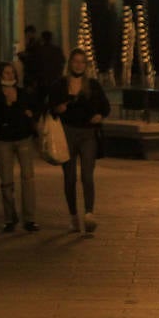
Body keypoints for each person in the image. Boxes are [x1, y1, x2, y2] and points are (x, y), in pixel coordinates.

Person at [48, 49, 110, 235]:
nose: (79, 65)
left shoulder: (92, 85)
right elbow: (50, 106)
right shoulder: (60, 85)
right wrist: (57, 108)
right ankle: (73, 215)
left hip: (87, 133)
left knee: (87, 174)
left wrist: (99, 115)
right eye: (75, 61)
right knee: (69, 177)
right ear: (70, 64)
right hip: (66, 133)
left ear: (86, 65)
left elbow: (105, 107)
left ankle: (89, 214)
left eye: (82, 62)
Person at [0, 62, 39, 233]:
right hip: (4, 141)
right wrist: (11, 106)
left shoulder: (23, 93)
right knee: (6, 181)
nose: (9, 76)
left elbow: (31, 112)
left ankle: (29, 219)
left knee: (28, 178)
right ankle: (10, 218)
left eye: (12, 73)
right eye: (6, 73)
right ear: (0, 75)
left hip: (23, 138)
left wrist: (16, 106)